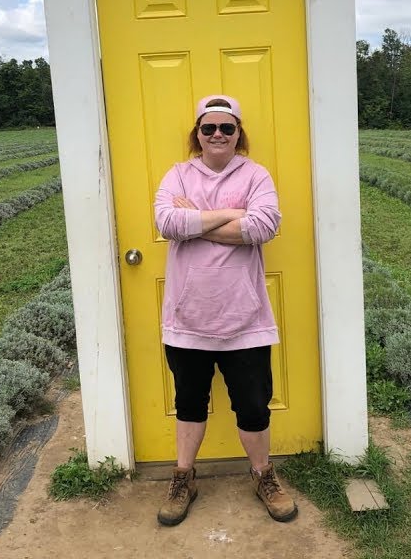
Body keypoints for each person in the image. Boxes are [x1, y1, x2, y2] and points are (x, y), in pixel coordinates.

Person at [151, 94, 297, 527]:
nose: (217, 134)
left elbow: (264, 226)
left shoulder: (256, 175)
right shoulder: (178, 175)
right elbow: (167, 223)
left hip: (245, 319)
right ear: (197, 134)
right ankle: (183, 477)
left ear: (238, 134)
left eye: (227, 128)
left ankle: (263, 475)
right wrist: (232, 215)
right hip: (187, 319)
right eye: (209, 127)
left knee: (253, 406)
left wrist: (198, 220)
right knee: (189, 403)